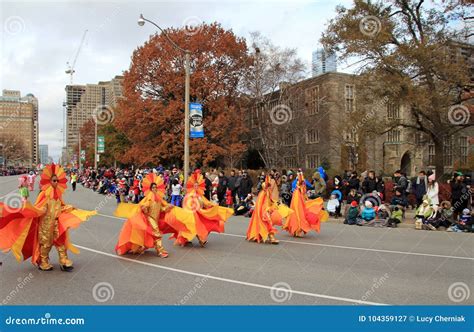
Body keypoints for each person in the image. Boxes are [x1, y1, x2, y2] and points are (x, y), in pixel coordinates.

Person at [0, 164, 97, 271]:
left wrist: (70, 208)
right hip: (45, 224)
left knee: (61, 242)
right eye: (54, 180)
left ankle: (64, 262)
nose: (56, 183)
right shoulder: (44, 195)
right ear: (49, 181)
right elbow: (39, 209)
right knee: (46, 244)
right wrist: (31, 209)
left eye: (57, 181)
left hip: (57, 222)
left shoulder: (58, 195)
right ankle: (43, 262)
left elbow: (61, 207)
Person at [115, 173, 192, 257]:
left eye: (156, 187)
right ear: (150, 188)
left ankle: (140, 247)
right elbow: (144, 206)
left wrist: (167, 208)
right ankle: (160, 251)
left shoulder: (158, 198)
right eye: (153, 187)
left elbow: (161, 209)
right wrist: (144, 208)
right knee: (157, 234)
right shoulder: (149, 197)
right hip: (149, 218)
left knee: (149, 234)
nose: (155, 189)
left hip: (156, 219)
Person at [178, 169, 234, 247]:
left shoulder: (200, 195)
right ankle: (186, 240)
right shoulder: (189, 194)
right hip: (190, 214)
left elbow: (206, 202)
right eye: (195, 185)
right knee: (189, 227)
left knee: (198, 227)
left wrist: (213, 206)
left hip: (198, 214)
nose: (196, 186)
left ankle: (200, 240)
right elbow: (185, 203)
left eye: (197, 185)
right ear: (193, 186)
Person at [246, 175, 292, 244]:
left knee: (267, 223)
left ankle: (260, 235)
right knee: (268, 223)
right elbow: (262, 204)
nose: (270, 187)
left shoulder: (268, 193)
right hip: (264, 211)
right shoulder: (263, 193)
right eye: (269, 185)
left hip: (267, 210)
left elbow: (272, 200)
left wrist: (280, 205)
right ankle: (271, 238)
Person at [283, 173, 327, 237]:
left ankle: (297, 230)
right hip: (298, 199)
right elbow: (303, 189)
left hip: (299, 198)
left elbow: (305, 190)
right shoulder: (299, 186)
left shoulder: (299, 186)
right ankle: (297, 230)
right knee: (298, 214)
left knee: (299, 214)